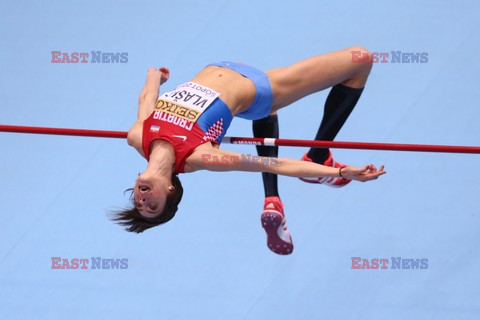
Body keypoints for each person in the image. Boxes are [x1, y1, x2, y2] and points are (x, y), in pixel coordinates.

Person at [113, 47, 386, 254]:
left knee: (269, 118)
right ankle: (318, 158)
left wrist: (155, 77)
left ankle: (278, 193)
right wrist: (340, 171)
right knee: (361, 60)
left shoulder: (138, 137)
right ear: (170, 191)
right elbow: (275, 165)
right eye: (153, 206)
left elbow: (147, 98)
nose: (143, 200)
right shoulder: (199, 156)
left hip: (223, 67)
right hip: (259, 89)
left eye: (139, 202)